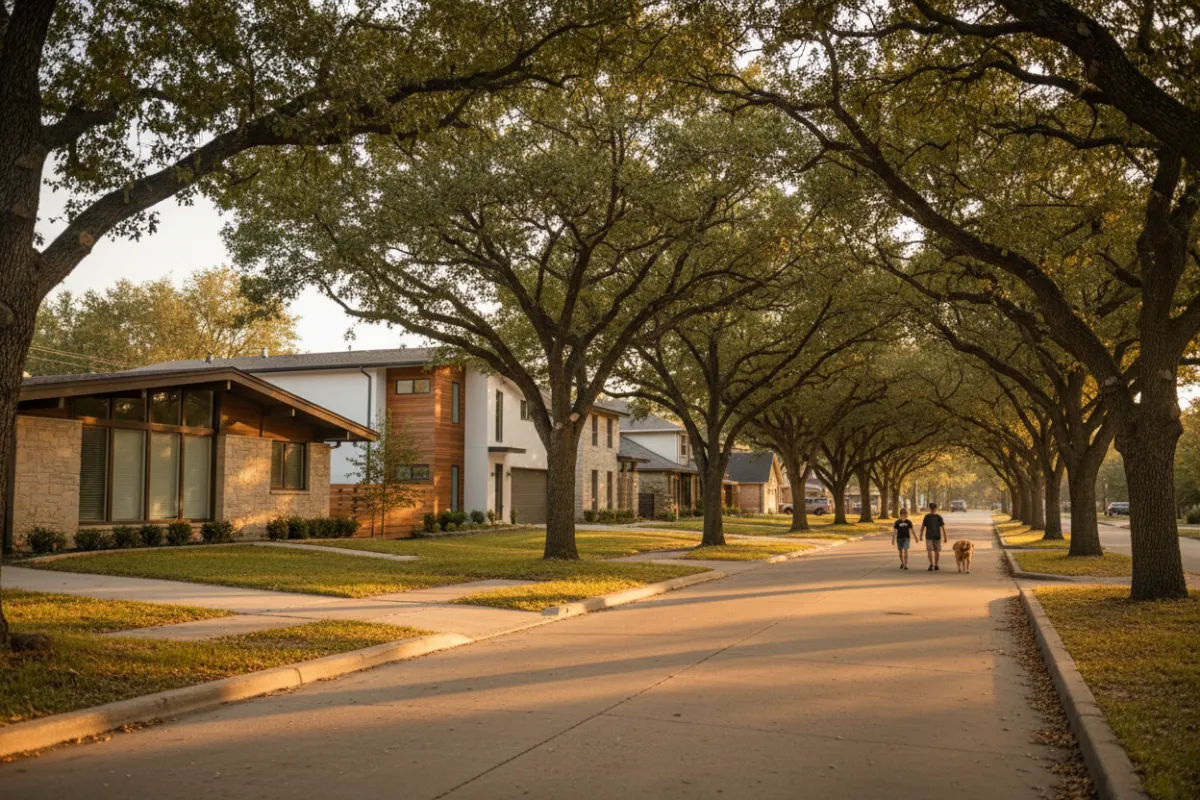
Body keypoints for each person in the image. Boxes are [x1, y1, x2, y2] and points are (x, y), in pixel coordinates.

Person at [920, 502, 948, 571]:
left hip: (929, 536)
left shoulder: (927, 516)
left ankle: (931, 564)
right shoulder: (939, 517)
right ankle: (936, 565)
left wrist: (920, 535)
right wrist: (945, 537)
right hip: (937, 535)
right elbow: (943, 527)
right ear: (936, 508)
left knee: (929, 550)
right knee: (937, 550)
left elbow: (923, 526)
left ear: (929, 508)